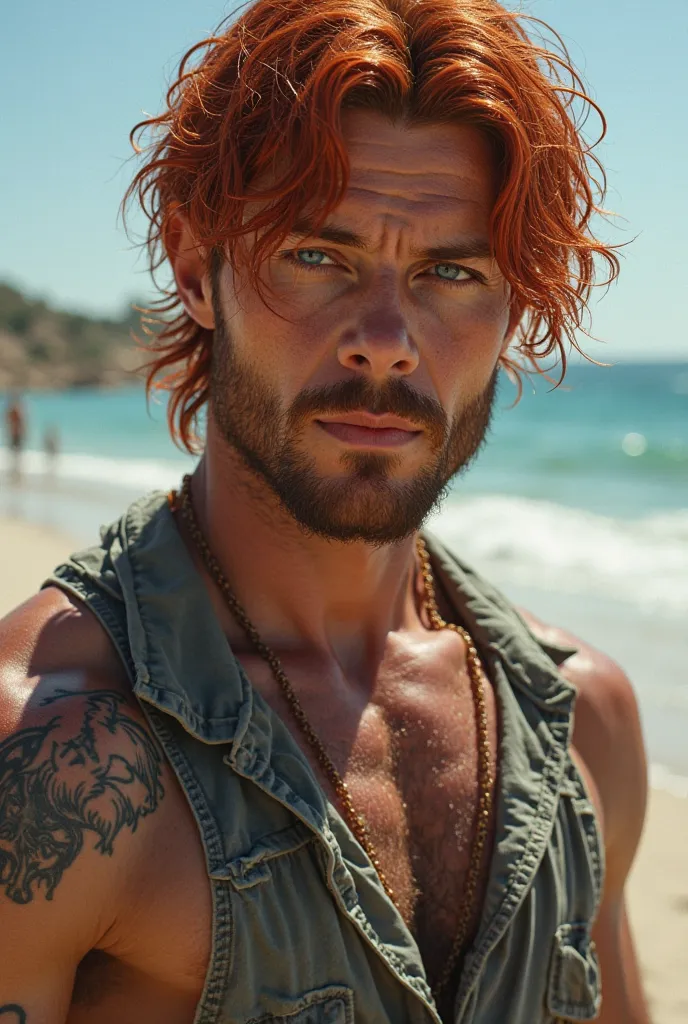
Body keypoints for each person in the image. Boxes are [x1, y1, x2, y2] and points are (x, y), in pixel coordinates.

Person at [0, 1, 650, 1021]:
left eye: (451, 272)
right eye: (318, 255)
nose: (386, 340)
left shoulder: (583, 727)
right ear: (192, 265)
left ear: (511, 310)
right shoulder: (51, 756)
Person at [4, 390, 26, 482]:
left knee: (15, 452)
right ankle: (15, 469)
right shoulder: (15, 410)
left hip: (16, 434)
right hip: (15, 434)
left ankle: (16, 469)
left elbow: (20, 423)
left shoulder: (15, 410)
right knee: (15, 452)